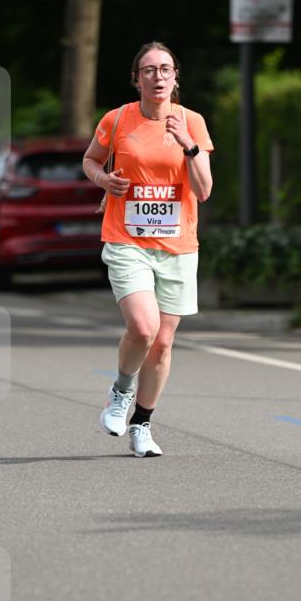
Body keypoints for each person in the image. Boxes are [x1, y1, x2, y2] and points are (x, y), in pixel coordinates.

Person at [82, 41, 214, 457]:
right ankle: (121, 391)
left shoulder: (192, 122)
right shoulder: (117, 119)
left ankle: (142, 424)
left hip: (178, 246)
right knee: (143, 328)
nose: (158, 77)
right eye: (149, 70)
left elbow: (204, 190)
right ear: (136, 79)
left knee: (163, 342)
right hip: (127, 240)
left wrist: (188, 144)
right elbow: (90, 161)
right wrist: (104, 181)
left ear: (176, 77)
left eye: (165, 69)